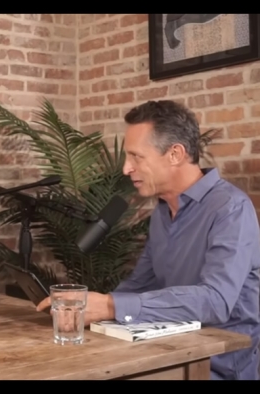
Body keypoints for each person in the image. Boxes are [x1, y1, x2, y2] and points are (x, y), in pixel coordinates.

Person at [37, 100, 260, 380]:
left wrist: (110, 306)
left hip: (216, 367)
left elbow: (215, 301)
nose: (126, 169)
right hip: (166, 351)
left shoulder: (230, 208)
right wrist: (87, 310)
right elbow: (141, 283)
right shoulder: (162, 212)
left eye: (136, 157)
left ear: (175, 154)